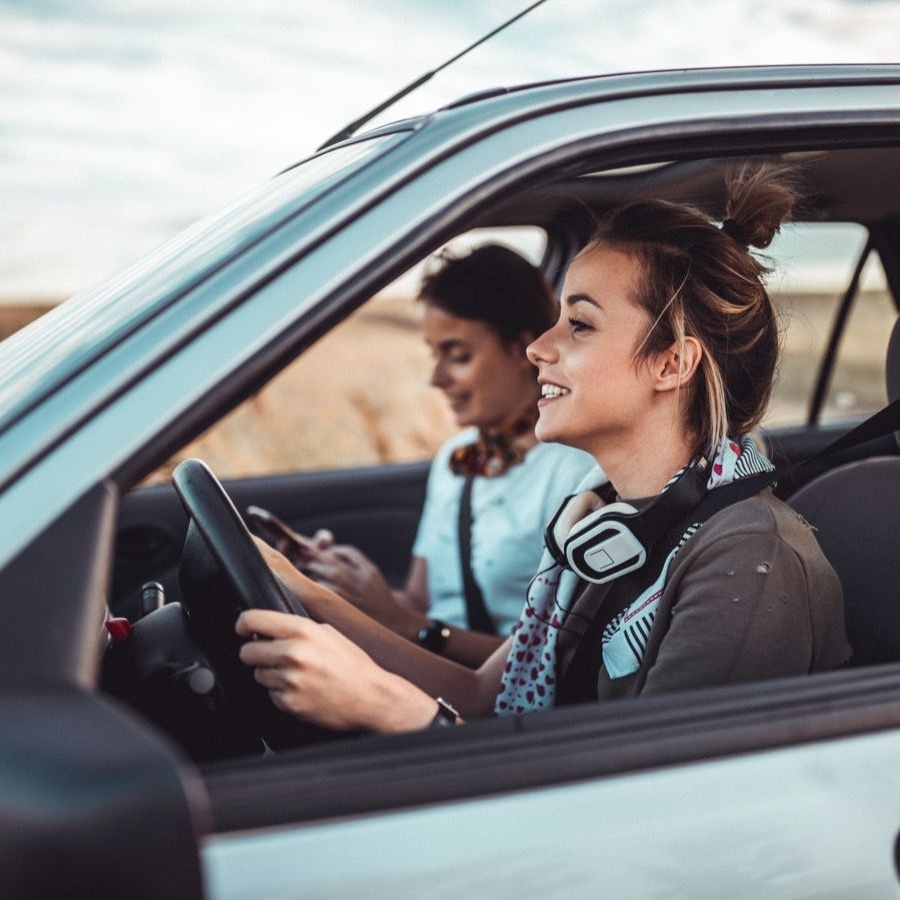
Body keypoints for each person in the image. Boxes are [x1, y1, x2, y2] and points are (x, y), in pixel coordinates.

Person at [235, 165, 851, 733]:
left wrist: (388, 707)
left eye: (578, 324)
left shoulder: (748, 558)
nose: (539, 349)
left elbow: (645, 815)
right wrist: (305, 592)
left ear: (672, 362)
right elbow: (479, 697)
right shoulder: (604, 523)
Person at [284, 245, 595, 668]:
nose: (437, 378)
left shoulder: (575, 470)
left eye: (459, 355)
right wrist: (343, 585)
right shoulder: (457, 457)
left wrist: (408, 625)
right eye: (435, 355)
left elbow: (555, 659)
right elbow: (418, 600)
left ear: (524, 349)